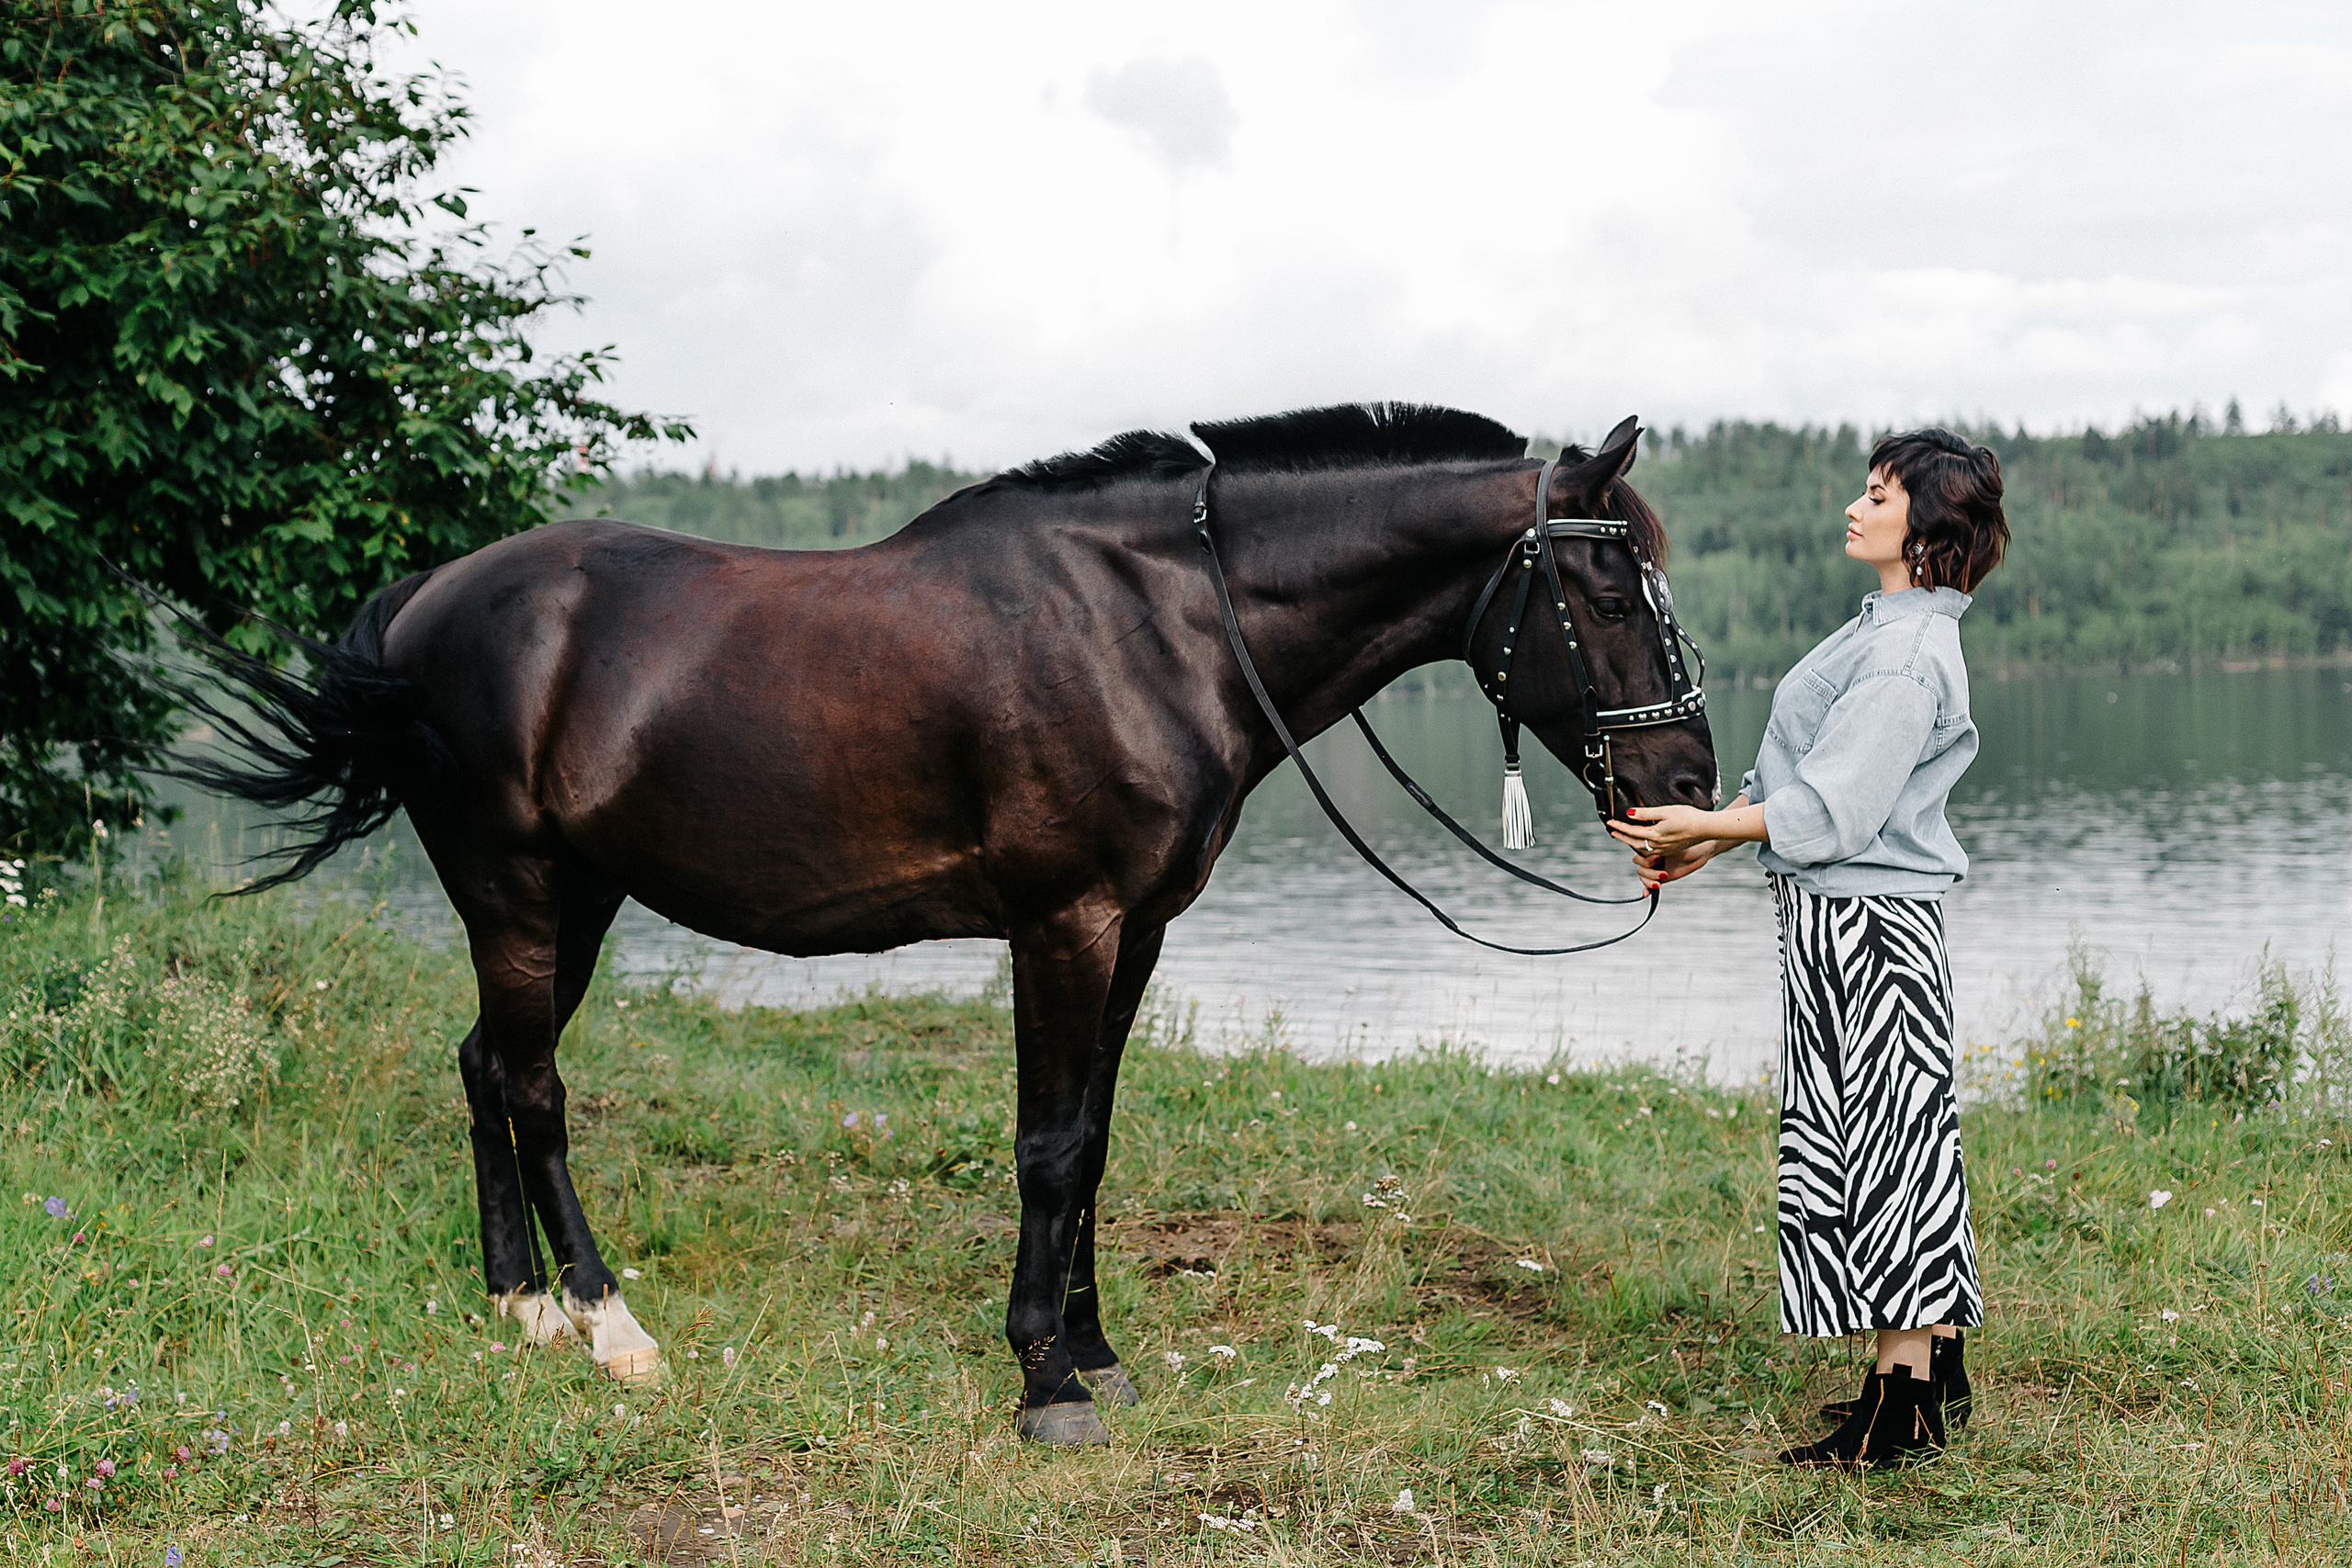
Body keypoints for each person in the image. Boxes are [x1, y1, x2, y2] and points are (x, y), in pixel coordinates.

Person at [1610, 428, 2009, 1470]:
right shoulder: (1882, 630)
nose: (1855, 506)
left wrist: (1709, 824)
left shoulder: (1907, 656)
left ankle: (1899, 1409)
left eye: (1878, 494)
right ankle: (1928, 1373)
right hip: (1843, 922)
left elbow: (1837, 809)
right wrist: (1711, 838)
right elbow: (1802, 776)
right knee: (1886, 1145)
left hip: (1870, 931)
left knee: (1890, 1158)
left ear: (1926, 526)